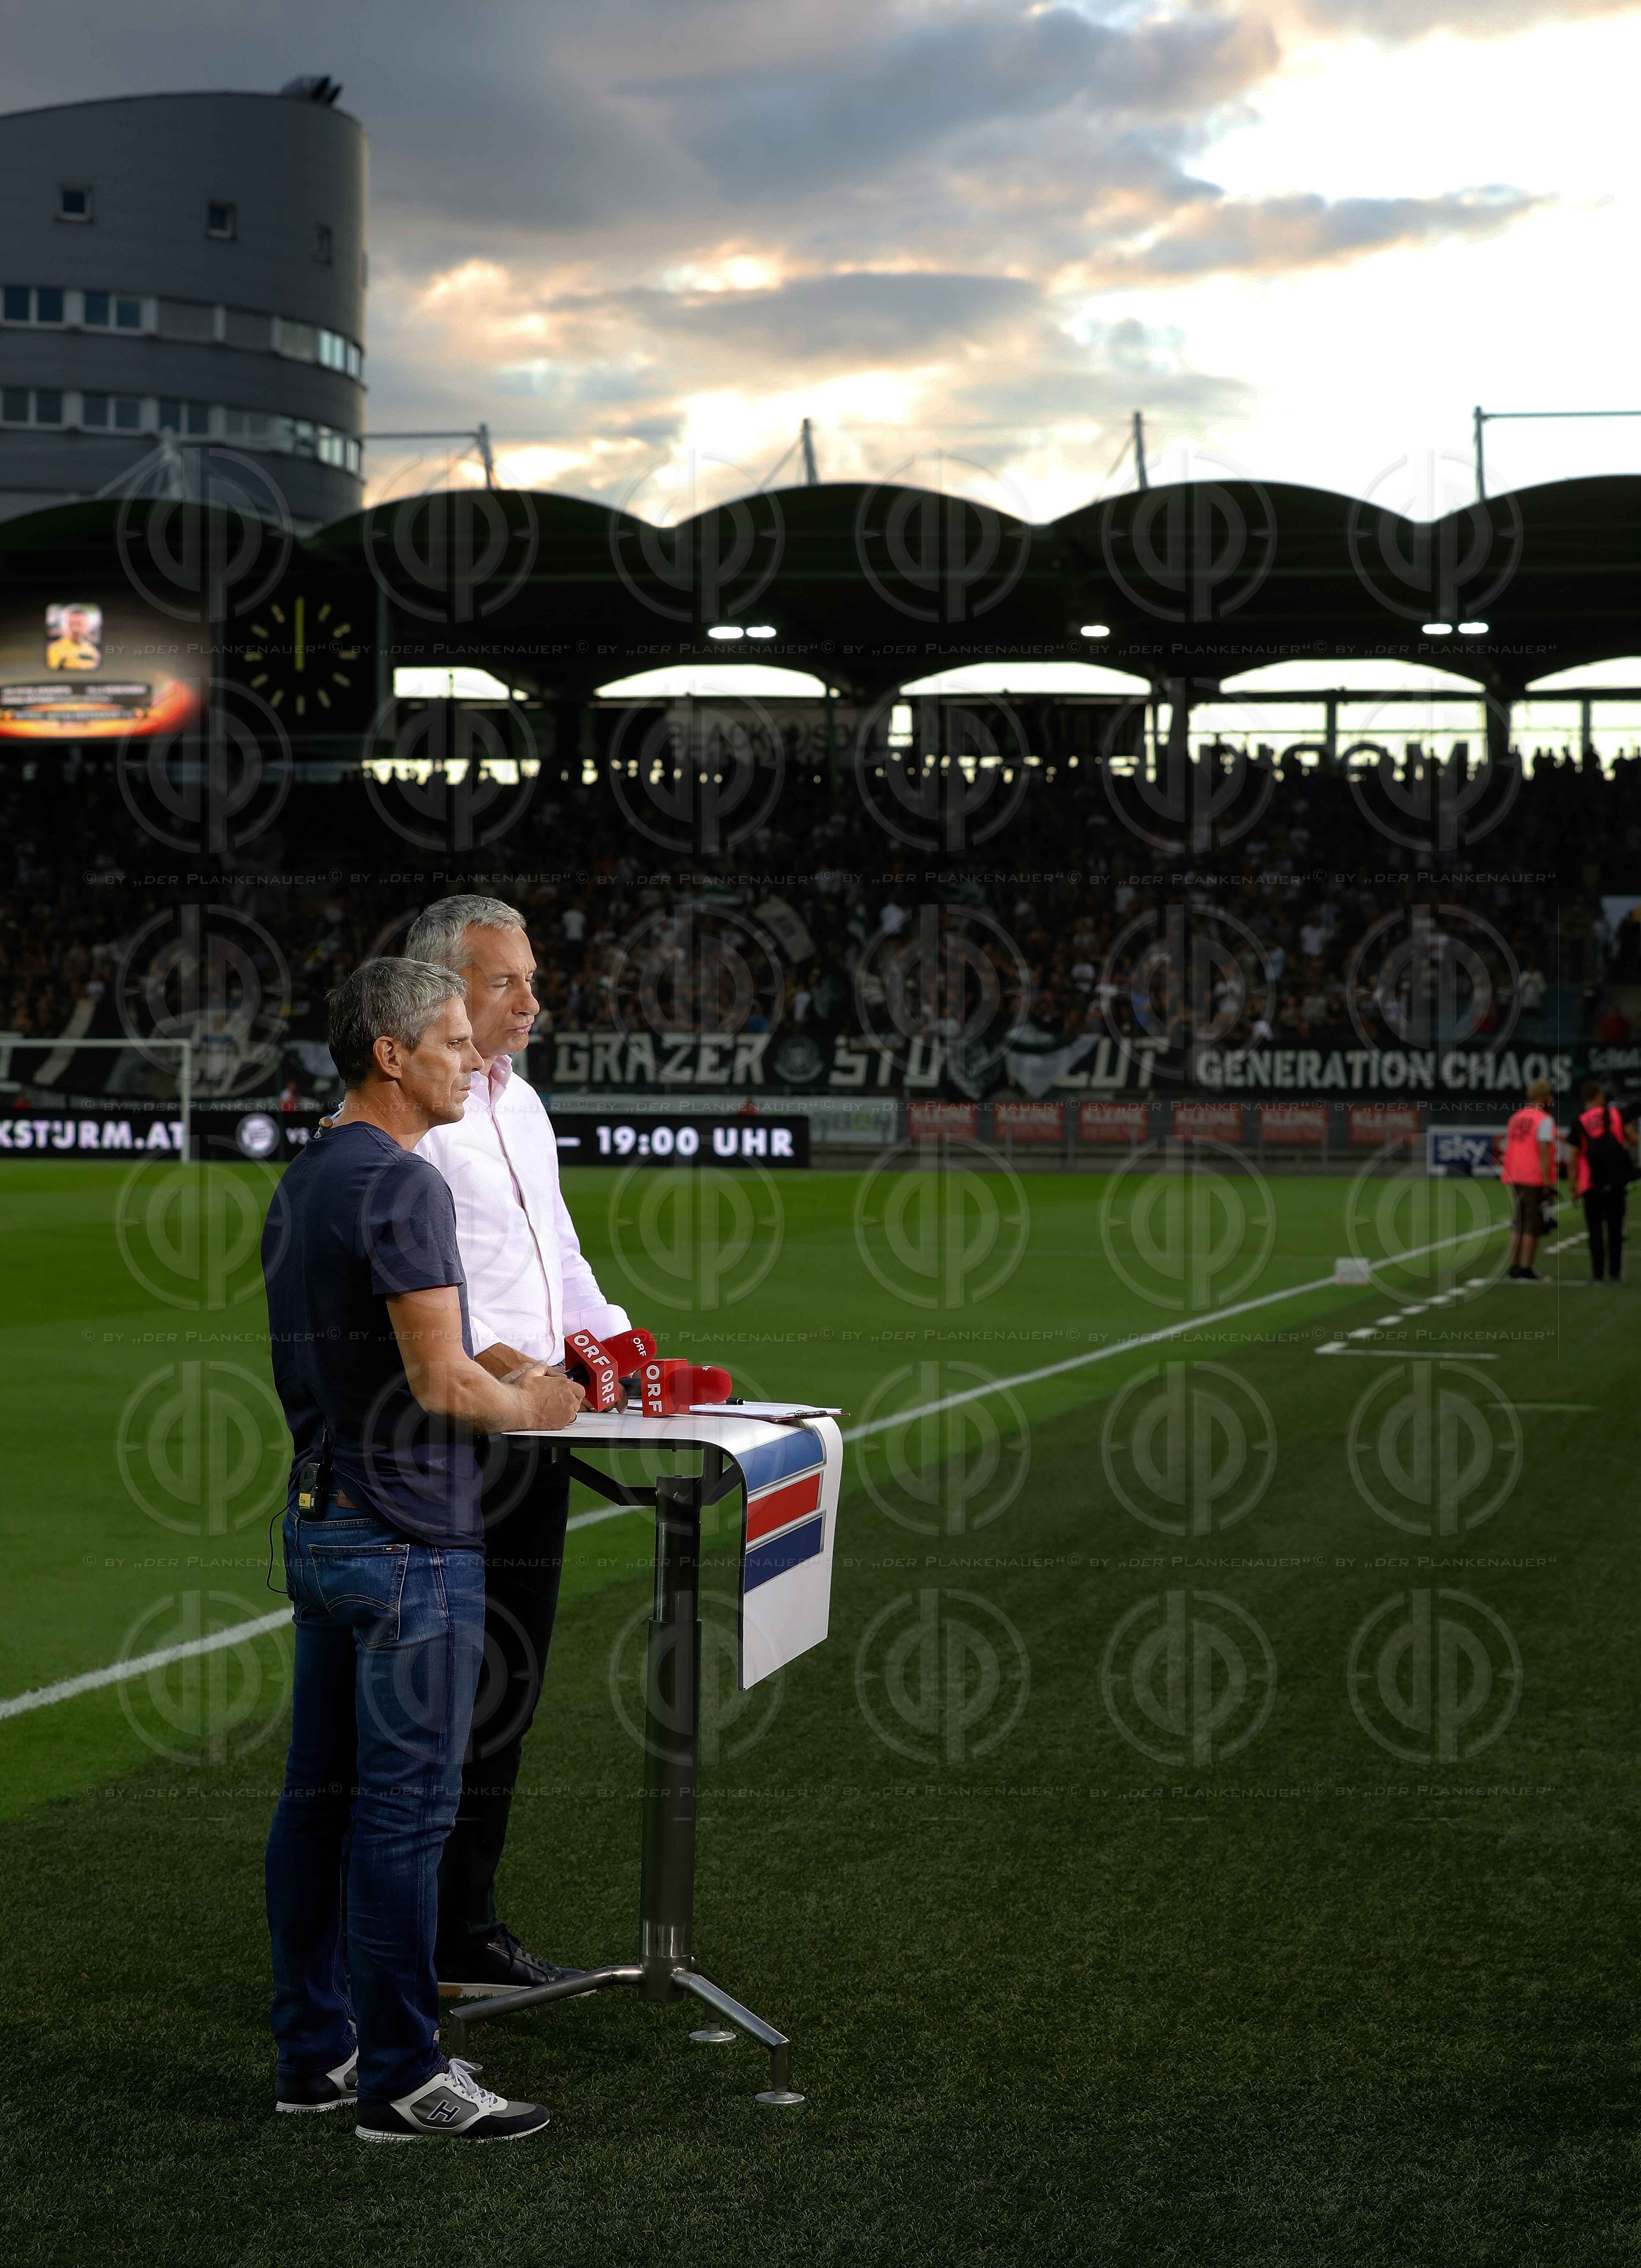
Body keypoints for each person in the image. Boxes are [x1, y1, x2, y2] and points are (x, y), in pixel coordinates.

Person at [261, 958, 584, 2142]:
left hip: (323, 1524)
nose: (475, 1059)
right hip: (410, 1541)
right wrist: (544, 1407)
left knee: (317, 1806)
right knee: (404, 1819)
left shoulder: (312, 1173)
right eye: (451, 1042)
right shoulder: (404, 1183)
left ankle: (315, 2054)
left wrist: (492, 1366)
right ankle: (404, 2077)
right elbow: (442, 1380)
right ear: (390, 1056)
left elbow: (379, 1351)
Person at [404, 894, 634, 1998]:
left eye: (530, 980)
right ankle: (401, 1948)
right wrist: (518, 1376)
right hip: (453, 1439)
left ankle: (466, 1932)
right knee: (432, 1701)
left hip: (537, 1438)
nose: (531, 1003)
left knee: (508, 1689)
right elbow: (418, 1307)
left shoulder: (524, 1106)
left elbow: (563, 1264)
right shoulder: (421, 1119)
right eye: (506, 983)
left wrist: (620, 1349)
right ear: (447, 991)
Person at [1568, 1078, 1637, 1284]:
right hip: (1616, 1180)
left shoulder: (1579, 1122)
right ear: (1598, 1096)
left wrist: (1574, 1188)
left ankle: (1597, 1275)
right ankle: (1615, 1274)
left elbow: (1573, 1158)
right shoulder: (1615, 1115)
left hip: (1591, 1182)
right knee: (1615, 1229)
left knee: (1595, 1230)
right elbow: (1633, 1139)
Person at [1501, 1077, 1559, 1283]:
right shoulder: (1544, 1120)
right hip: (1533, 1177)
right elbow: (1544, 1154)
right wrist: (1548, 1184)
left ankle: (1515, 1267)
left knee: (1518, 1223)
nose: (1552, 1100)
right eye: (1550, 1096)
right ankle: (1526, 1268)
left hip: (1514, 1174)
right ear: (1543, 1097)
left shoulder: (1516, 1117)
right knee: (1532, 1225)